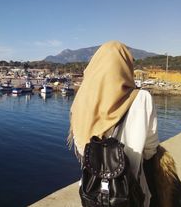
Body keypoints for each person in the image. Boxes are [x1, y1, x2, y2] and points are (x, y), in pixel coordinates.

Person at [68, 40, 159, 207]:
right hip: (128, 193)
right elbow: (150, 150)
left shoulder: (81, 100)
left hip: (92, 192)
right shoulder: (142, 99)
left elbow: (82, 148)